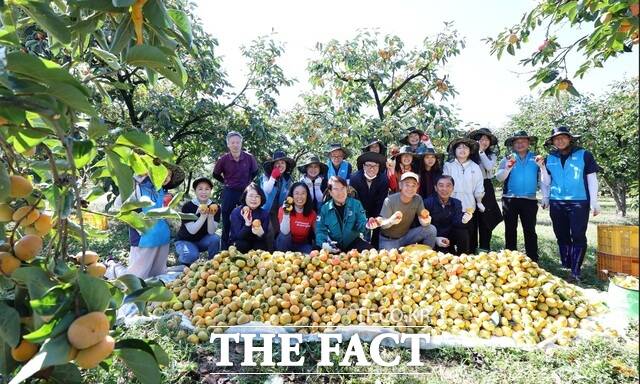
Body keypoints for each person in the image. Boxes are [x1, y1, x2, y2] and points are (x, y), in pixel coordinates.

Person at [541, 126, 601, 282]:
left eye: (563, 137)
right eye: (556, 138)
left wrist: (594, 202)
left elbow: (592, 179)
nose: (559, 141)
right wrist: (546, 197)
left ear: (570, 139)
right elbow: (546, 181)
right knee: (561, 234)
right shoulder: (550, 158)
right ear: (553, 141)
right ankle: (567, 264)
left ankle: (576, 270)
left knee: (578, 234)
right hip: (557, 201)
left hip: (579, 201)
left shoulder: (584, 155)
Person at [117, 164, 184, 279]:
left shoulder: (162, 191)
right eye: (163, 172)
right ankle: (112, 267)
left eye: (169, 175)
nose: (166, 176)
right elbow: (120, 204)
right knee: (136, 277)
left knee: (157, 273)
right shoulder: (137, 186)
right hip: (144, 237)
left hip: (162, 237)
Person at [495, 131, 548, 262]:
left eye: (523, 141)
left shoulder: (536, 158)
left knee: (529, 229)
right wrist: (507, 168)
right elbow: (499, 178)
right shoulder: (507, 158)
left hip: (529, 200)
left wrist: (545, 196)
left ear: (529, 143)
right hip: (510, 199)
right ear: (512, 144)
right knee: (510, 229)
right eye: (517, 142)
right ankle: (510, 257)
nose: (520, 144)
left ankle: (533, 259)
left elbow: (543, 179)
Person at [212, 131, 259, 249]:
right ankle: (224, 249)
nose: (235, 145)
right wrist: (226, 182)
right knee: (227, 220)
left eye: (238, 142)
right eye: (232, 142)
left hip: (245, 193)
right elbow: (215, 174)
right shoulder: (223, 159)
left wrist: (247, 183)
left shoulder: (249, 158)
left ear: (241, 143)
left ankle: (243, 247)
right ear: (228, 144)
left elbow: (255, 172)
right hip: (229, 192)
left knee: (246, 218)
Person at [374, 172, 437, 250]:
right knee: (391, 260)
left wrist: (426, 221)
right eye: (407, 185)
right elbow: (383, 224)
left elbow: (423, 217)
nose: (410, 188)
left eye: (413, 185)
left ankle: (428, 254)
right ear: (400, 185)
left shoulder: (418, 199)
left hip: (406, 236)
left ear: (417, 187)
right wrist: (391, 221)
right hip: (388, 240)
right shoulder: (389, 200)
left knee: (431, 229)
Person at [443, 137, 484, 254]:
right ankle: (449, 256)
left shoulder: (475, 167)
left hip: (469, 205)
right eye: (459, 147)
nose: (462, 150)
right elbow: (444, 184)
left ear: (470, 151)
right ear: (454, 151)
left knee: (468, 235)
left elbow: (479, 185)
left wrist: (479, 201)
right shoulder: (448, 165)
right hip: (451, 204)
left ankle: (467, 256)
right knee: (450, 233)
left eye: (465, 147)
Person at [316, 176, 373, 252]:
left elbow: (361, 224)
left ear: (346, 189)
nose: (340, 192)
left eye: (342, 188)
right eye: (336, 189)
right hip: (333, 244)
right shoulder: (324, 209)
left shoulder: (356, 204)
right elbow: (320, 230)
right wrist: (324, 244)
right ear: (330, 192)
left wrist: (368, 225)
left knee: (370, 251)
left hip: (353, 243)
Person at [468, 128, 503, 252]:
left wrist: (481, 152)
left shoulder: (491, 155)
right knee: (471, 217)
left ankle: (484, 248)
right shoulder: (470, 154)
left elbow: (489, 167)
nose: (484, 141)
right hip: (470, 187)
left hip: (486, 186)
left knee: (486, 218)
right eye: (481, 139)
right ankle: (471, 249)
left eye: (486, 139)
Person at [174, 177, 221, 265]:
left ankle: (213, 265)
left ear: (211, 190)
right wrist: (203, 217)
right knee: (191, 255)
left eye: (207, 189)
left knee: (215, 239)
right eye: (200, 189)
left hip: (202, 241)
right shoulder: (188, 206)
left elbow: (211, 232)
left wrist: (210, 216)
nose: (203, 192)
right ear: (195, 191)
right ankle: (182, 265)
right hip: (185, 241)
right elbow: (192, 230)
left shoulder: (215, 207)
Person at [349, 151, 389, 248]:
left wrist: (375, 218)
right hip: (360, 209)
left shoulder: (383, 179)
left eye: (375, 166)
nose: (372, 168)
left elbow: (381, 200)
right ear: (363, 166)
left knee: (376, 231)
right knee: (361, 234)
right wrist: (365, 217)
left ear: (379, 167)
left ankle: (375, 248)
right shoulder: (355, 178)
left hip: (376, 209)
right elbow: (355, 200)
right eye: (368, 165)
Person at [424, 175, 472, 255]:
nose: (444, 189)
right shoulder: (428, 203)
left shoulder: (457, 203)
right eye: (441, 185)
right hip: (433, 238)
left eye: (448, 186)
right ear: (435, 188)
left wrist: (464, 220)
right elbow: (424, 226)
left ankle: (463, 257)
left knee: (463, 231)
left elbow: (456, 222)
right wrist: (435, 238)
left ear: (453, 188)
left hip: (449, 238)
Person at [260, 150, 296, 250]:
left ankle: (279, 254)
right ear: (273, 165)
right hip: (266, 210)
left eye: (282, 163)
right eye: (277, 163)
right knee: (269, 231)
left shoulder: (287, 179)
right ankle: (268, 254)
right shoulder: (266, 176)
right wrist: (273, 177)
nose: (280, 165)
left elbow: (291, 193)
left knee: (278, 231)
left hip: (280, 210)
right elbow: (266, 190)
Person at [276, 182, 317, 253]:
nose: (300, 196)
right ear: (292, 195)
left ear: (307, 195)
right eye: (296, 193)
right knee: (284, 237)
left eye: (303, 193)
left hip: (302, 244)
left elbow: (318, 231)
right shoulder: (283, 209)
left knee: (310, 254)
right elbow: (284, 232)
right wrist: (286, 213)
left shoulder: (312, 213)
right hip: (285, 243)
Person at [229, 183, 270, 253]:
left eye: (257, 196)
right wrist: (247, 224)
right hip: (239, 242)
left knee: (261, 246)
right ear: (245, 197)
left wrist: (260, 234)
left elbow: (263, 238)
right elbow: (238, 237)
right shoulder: (237, 212)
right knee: (242, 245)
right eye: (251, 196)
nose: (254, 199)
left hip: (256, 243)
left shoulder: (264, 214)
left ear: (261, 198)